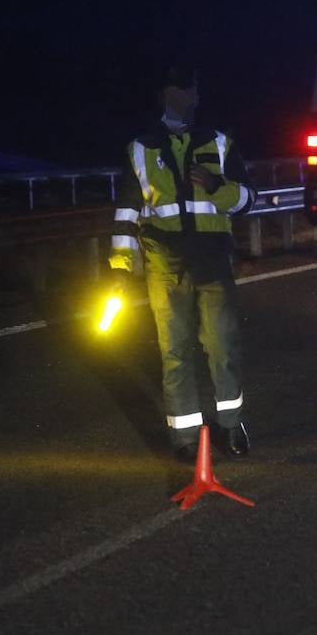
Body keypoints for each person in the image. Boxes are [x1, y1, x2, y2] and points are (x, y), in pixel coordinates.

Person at [108, 61, 256, 462]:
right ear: (167, 95)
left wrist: (216, 186)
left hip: (212, 259)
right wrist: (122, 270)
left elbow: (247, 200)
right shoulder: (141, 148)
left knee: (222, 346)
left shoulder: (219, 142)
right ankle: (185, 438)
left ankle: (231, 425)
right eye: (182, 90)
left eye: (190, 89)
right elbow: (127, 212)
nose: (189, 96)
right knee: (175, 351)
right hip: (165, 261)